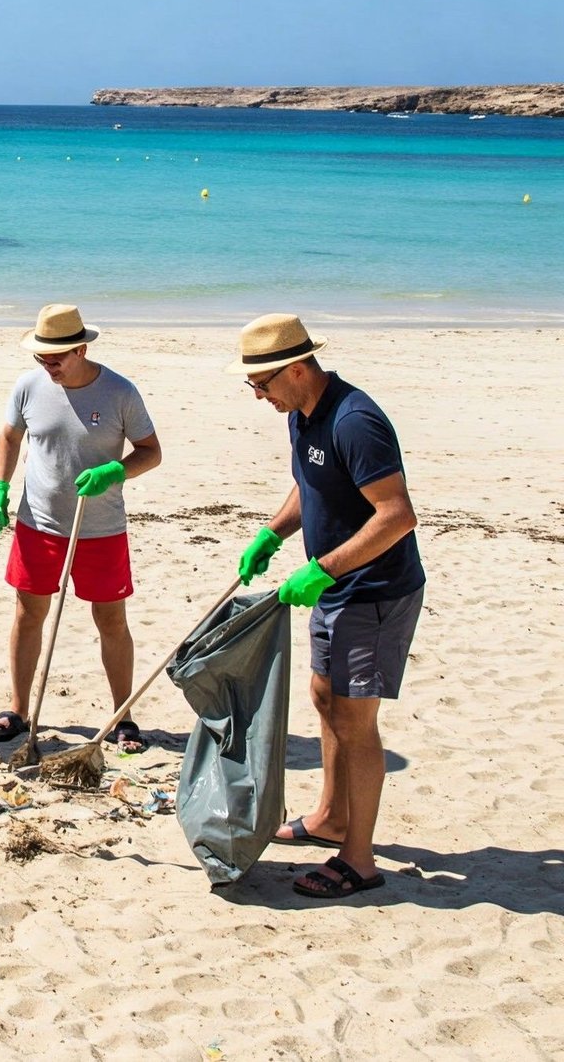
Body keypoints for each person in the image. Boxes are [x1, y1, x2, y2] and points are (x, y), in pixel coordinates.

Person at [230, 314, 423, 899]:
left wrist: (323, 569)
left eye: (262, 384)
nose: (258, 396)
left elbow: (397, 515)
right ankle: (331, 817)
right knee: (324, 698)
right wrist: (273, 533)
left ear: (295, 368)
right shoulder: (302, 414)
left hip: (374, 592)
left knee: (355, 722)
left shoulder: (354, 420)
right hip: (338, 590)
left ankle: (358, 860)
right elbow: (309, 483)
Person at [0, 303, 162, 751]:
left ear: (81, 350)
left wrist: (116, 471)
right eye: (41, 357)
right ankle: (18, 710)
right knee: (28, 614)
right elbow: (9, 437)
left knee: (110, 620)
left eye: (56, 358)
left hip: (100, 529)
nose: (48, 366)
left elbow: (151, 451)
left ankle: (123, 716)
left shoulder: (120, 392)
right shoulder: (28, 386)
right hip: (38, 525)